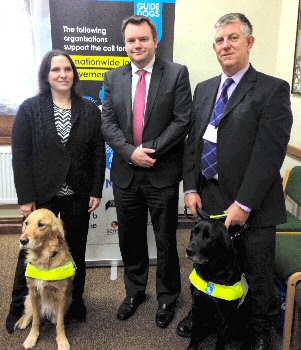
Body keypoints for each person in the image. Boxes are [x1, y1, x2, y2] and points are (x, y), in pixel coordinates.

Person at [178, 13, 293, 350]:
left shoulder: (272, 90)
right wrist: (190, 186)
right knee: (209, 266)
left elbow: (269, 153)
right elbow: (193, 143)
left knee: (258, 274)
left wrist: (243, 203)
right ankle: (206, 316)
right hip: (210, 199)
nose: (224, 45)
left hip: (254, 205)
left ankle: (260, 331)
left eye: (232, 38)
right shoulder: (204, 89)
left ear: (249, 42)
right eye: (219, 40)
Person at [6, 49, 106, 333]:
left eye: (67, 69)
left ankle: (74, 304)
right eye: (55, 70)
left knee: (74, 250)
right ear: (46, 76)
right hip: (42, 193)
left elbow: (98, 152)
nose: (63, 74)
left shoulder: (89, 110)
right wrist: (26, 197)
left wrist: (96, 189)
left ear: (74, 74)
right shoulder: (30, 108)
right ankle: (19, 307)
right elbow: (21, 155)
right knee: (30, 250)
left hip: (78, 191)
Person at [101, 15, 191, 328]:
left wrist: (148, 150)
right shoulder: (113, 78)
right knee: (130, 237)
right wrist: (130, 153)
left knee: (166, 240)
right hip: (126, 173)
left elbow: (182, 121)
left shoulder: (177, 74)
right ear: (124, 44)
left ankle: (168, 296)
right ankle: (135, 291)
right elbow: (108, 124)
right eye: (130, 40)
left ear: (155, 41)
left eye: (142, 39)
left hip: (161, 172)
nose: (137, 45)